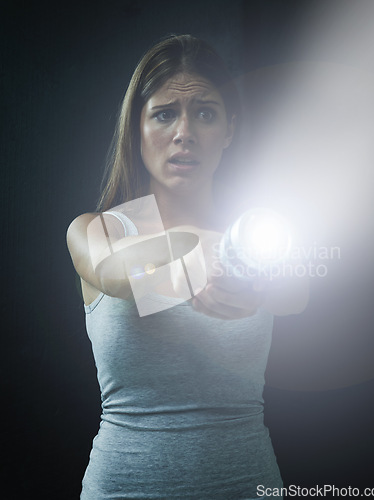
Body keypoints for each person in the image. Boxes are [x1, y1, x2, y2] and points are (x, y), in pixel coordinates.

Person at [67, 34, 308, 500]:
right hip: (124, 488)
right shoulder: (95, 229)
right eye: (164, 114)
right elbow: (115, 274)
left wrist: (252, 276)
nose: (185, 133)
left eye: (204, 112)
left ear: (229, 129)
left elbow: (296, 293)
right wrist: (193, 260)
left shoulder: (258, 236)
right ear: (136, 128)